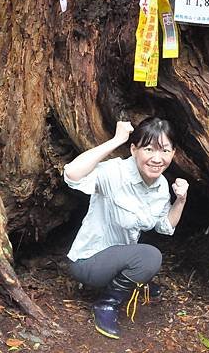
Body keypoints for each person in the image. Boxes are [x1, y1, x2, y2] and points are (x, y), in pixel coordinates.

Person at [63, 116, 189, 339]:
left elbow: (165, 227)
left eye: (165, 151)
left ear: (173, 153)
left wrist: (180, 200)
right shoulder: (115, 172)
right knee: (149, 255)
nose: (157, 158)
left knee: (146, 255)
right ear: (133, 149)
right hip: (88, 261)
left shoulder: (160, 187)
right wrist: (116, 140)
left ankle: (131, 284)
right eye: (149, 149)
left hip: (116, 261)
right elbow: (72, 174)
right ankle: (106, 305)